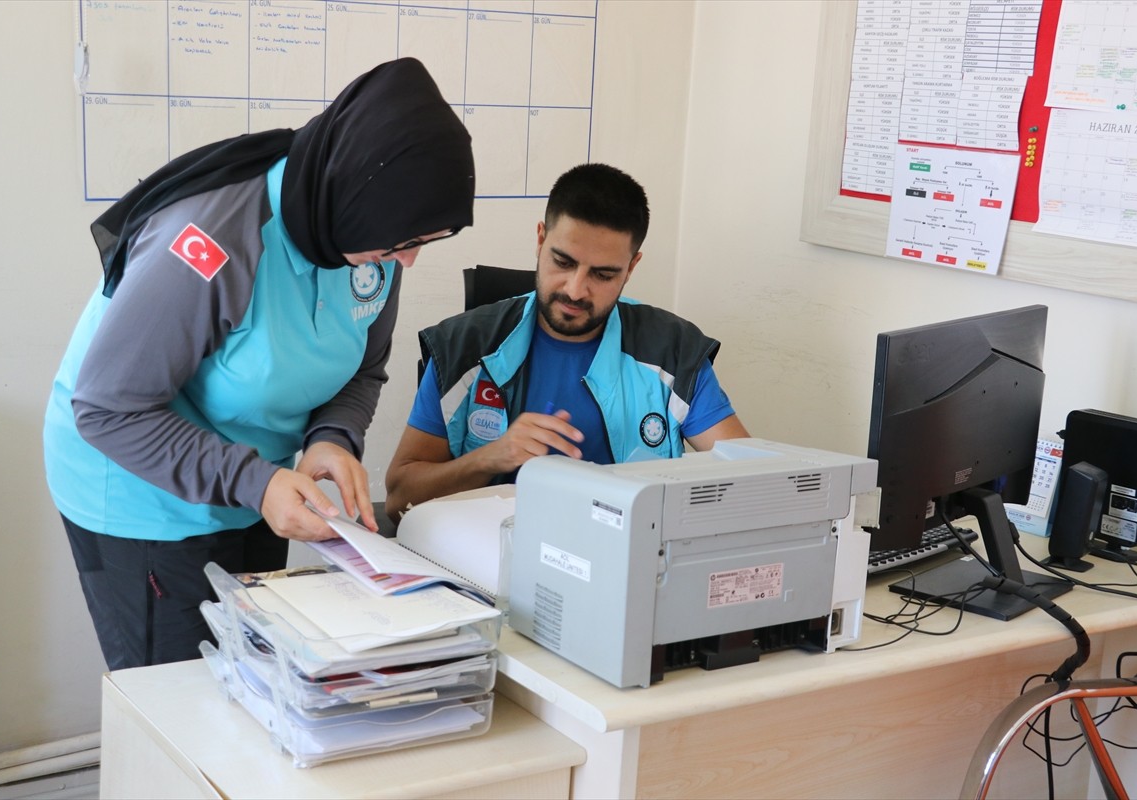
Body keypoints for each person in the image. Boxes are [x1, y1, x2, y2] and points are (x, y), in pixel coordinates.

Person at [43, 58, 475, 670]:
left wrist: (331, 438)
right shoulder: (209, 240)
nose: (408, 261)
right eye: (404, 242)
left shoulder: (372, 241)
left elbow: (363, 368)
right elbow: (109, 409)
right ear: (353, 198)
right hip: (142, 496)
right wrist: (256, 482)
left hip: (254, 485)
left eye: (423, 242)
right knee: (186, 696)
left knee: (254, 680)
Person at [384, 163, 748, 520]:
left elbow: (750, 481)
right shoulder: (464, 346)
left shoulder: (673, 351)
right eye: (563, 262)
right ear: (540, 239)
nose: (575, 290)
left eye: (602, 275)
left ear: (631, 268)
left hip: (625, 553)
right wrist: (490, 458)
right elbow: (399, 500)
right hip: (495, 552)